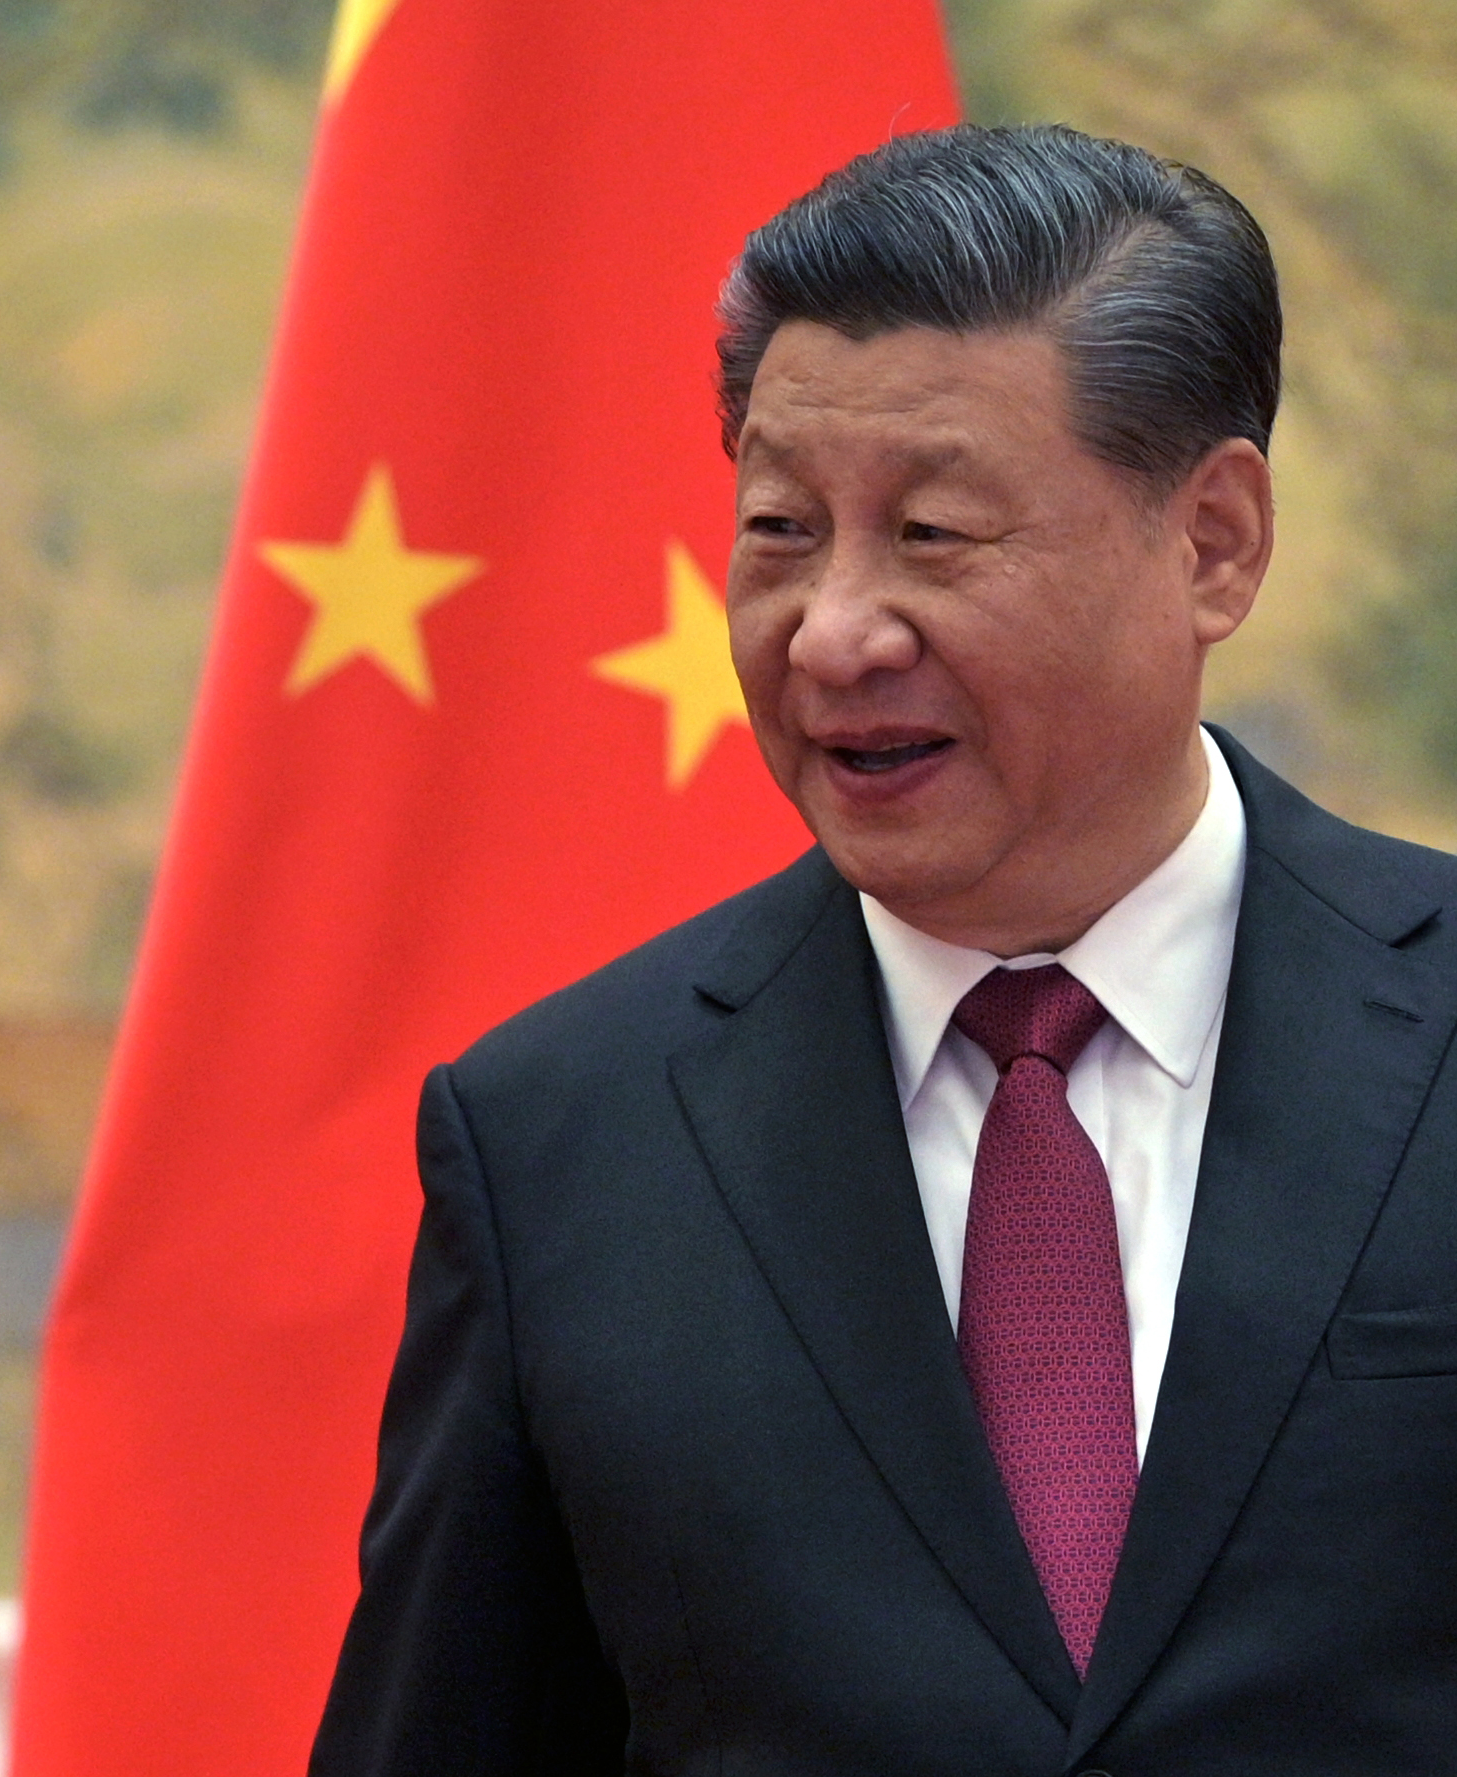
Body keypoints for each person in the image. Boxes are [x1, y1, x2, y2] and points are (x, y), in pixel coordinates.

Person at [314, 123, 1457, 1773]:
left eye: (933, 536)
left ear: (1213, 544)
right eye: (781, 528)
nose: (836, 630)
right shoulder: (561, 1137)